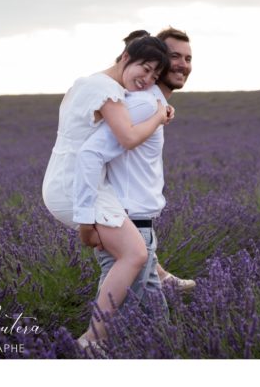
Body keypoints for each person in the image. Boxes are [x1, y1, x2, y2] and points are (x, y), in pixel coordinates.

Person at [42, 35, 172, 344]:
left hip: (67, 177)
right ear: (126, 56)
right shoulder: (108, 91)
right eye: (146, 68)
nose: (148, 79)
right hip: (77, 183)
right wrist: (158, 115)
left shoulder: (86, 82)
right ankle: (92, 341)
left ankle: (120, 334)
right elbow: (126, 138)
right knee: (134, 253)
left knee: (131, 256)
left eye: (155, 75)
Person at [74, 27, 195, 322]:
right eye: (174, 56)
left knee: (143, 330)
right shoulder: (143, 104)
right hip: (129, 224)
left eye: (188, 58)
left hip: (136, 226)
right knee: (132, 330)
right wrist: (86, 221)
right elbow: (90, 154)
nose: (182, 65)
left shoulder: (150, 102)